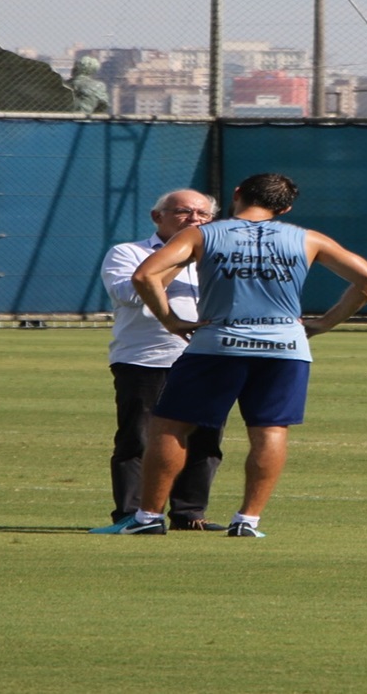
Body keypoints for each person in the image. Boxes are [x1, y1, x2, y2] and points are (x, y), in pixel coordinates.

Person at [92, 173, 367, 537]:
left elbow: (145, 276)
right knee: (269, 429)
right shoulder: (307, 238)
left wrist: (170, 320)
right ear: (285, 207)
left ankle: (148, 517)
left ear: (236, 194)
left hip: (219, 344)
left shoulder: (203, 234)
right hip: (285, 348)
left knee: (170, 426)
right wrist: (326, 322)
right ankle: (247, 520)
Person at [92, 189, 227, 532]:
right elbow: (130, 295)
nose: (194, 220)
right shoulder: (128, 252)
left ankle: (190, 513)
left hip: (209, 358)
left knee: (205, 439)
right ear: (158, 217)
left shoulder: (221, 257)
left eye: (203, 215)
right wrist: (177, 256)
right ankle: (132, 514)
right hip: (146, 359)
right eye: (184, 213)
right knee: (138, 438)